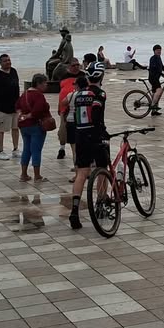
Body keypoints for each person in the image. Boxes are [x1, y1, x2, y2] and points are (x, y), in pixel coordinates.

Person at [66, 73, 109, 229]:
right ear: (101, 78)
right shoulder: (99, 94)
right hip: (96, 136)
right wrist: (102, 134)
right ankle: (100, 204)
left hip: (80, 136)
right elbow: (97, 115)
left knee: (81, 174)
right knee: (102, 170)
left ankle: (75, 211)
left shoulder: (77, 95)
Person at [17, 74, 51, 183]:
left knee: (26, 149)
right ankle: (37, 176)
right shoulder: (38, 95)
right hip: (36, 125)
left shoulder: (25, 94)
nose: (46, 85)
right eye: (45, 83)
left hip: (24, 126)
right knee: (36, 150)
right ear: (39, 84)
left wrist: (23, 115)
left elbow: (17, 106)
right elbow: (38, 110)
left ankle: (24, 174)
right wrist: (30, 115)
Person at [0, 53, 21, 160]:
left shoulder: (14, 71)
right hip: (2, 108)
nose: (8, 62)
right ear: (0, 63)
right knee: (1, 130)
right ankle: (0, 151)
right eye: (5, 61)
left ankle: (15, 149)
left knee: (15, 128)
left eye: (9, 60)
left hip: (15, 107)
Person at [56, 59, 84, 165]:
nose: (76, 67)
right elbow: (60, 93)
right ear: (69, 67)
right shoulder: (63, 76)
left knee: (76, 134)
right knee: (63, 130)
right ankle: (62, 148)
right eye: (74, 65)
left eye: (78, 65)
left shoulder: (82, 75)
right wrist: (60, 108)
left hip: (78, 109)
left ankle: (78, 160)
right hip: (64, 108)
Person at [148, 44, 164, 115]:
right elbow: (154, 69)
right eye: (157, 50)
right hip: (153, 78)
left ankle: (154, 111)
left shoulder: (158, 57)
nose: (159, 52)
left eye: (160, 50)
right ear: (154, 51)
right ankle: (152, 106)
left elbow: (162, 67)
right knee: (159, 91)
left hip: (156, 78)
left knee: (155, 94)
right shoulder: (153, 58)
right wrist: (163, 75)